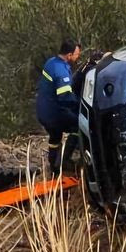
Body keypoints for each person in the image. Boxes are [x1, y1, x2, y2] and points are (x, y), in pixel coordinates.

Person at [36, 39, 82, 176]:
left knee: (55, 136)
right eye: (76, 54)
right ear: (69, 55)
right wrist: (80, 104)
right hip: (52, 113)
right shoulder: (61, 72)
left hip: (43, 110)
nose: (77, 56)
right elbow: (65, 98)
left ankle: (54, 167)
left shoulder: (51, 62)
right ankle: (65, 161)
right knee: (78, 126)